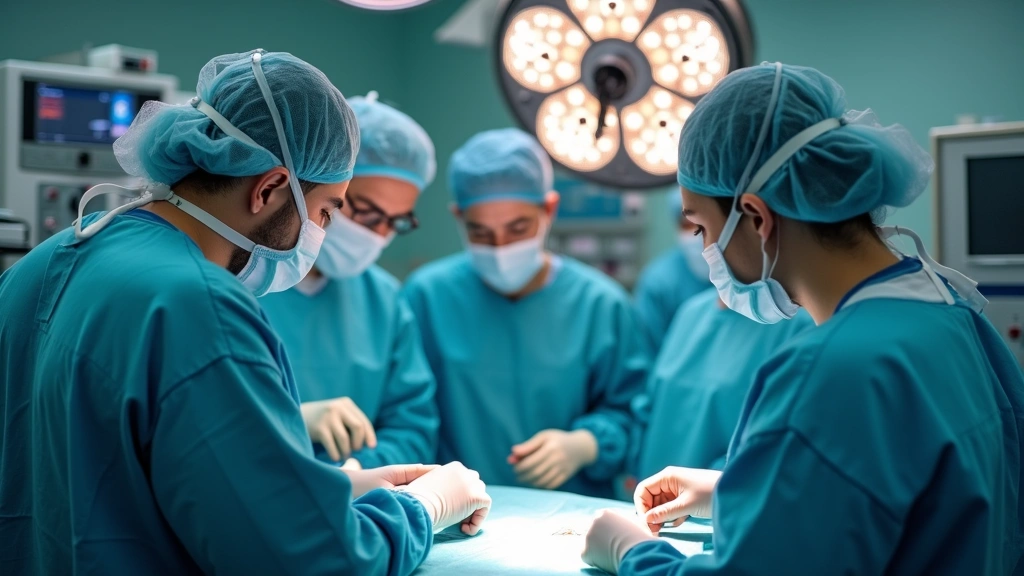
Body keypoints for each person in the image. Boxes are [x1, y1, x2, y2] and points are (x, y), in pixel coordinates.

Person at [0, 50, 491, 575]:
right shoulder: (199, 305)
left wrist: (326, 487)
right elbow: (315, 561)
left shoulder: (40, 265)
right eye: (326, 212)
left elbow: (119, 475)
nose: (321, 234)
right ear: (270, 188)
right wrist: (423, 506)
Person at [582, 62, 1024, 575]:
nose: (705, 251)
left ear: (756, 217)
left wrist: (631, 552)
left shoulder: (831, 370)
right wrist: (740, 492)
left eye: (701, 228)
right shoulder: (953, 312)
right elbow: (918, 502)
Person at [402, 128, 650, 498]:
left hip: (572, 514)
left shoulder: (600, 305)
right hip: (456, 514)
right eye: (481, 233)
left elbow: (635, 412)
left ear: (549, 209)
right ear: (458, 216)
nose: (501, 248)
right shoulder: (427, 297)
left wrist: (587, 443)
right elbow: (405, 414)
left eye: (518, 229)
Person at [260, 93, 438, 469]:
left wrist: (362, 471)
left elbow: (412, 427)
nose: (378, 235)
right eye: (368, 213)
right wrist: (289, 420)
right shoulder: (244, 281)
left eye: (396, 221)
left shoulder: (383, 300)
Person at [630, 285, 812, 480]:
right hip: (649, 488)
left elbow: (774, 446)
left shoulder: (799, 327)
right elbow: (652, 403)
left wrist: (712, 488)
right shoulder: (691, 311)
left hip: (724, 495)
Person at [633, 191, 713, 348]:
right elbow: (648, 350)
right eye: (688, 224)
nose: (698, 233)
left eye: (705, 222)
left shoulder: (746, 273)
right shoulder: (660, 281)